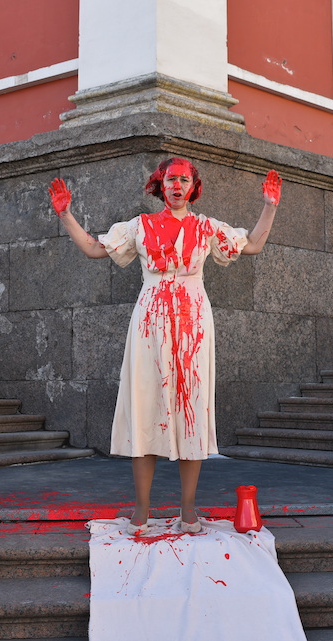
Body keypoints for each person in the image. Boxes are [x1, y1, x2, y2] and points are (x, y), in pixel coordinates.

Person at [48, 158, 281, 535]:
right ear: (161, 183)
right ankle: (141, 511)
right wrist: (66, 215)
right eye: (171, 178)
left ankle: (188, 512)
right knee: (146, 407)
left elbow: (251, 244)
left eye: (184, 179)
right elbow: (95, 249)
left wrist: (269, 206)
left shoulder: (206, 227)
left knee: (191, 410)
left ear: (193, 186)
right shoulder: (139, 226)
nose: (177, 185)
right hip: (150, 322)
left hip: (193, 324)